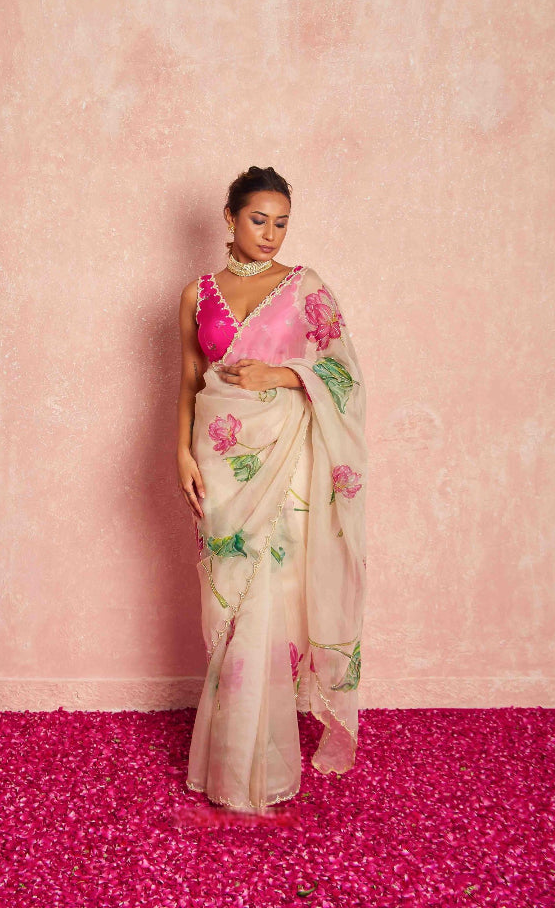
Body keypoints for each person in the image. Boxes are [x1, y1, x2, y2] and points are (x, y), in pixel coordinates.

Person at [176, 165, 368, 813]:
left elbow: (343, 374)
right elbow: (188, 380)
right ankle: (234, 753)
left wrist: (282, 377)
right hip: (218, 462)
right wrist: (179, 453)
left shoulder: (304, 287)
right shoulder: (196, 295)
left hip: (284, 463)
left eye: (282, 222)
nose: (271, 234)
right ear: (229, 217)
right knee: (225, 599)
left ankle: (258, 764)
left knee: (271, 601)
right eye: (259, 219)